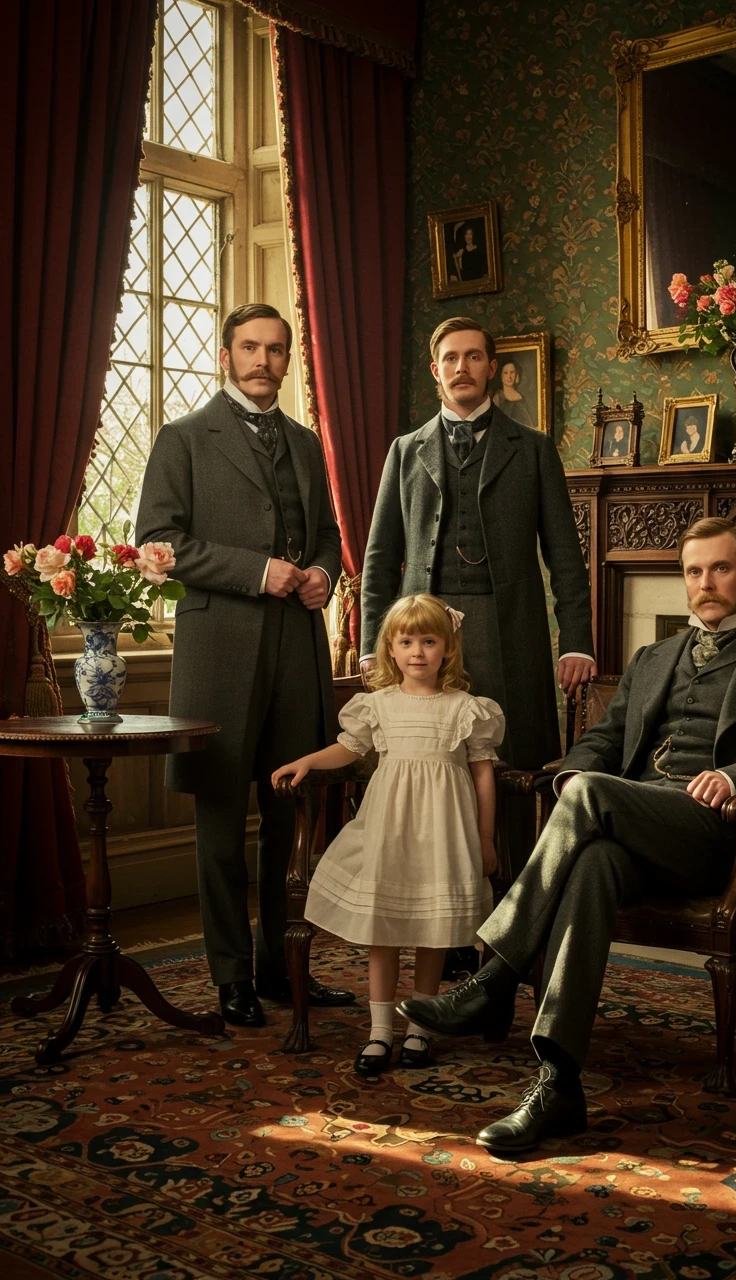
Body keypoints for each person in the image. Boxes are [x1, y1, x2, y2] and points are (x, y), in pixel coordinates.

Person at [399, 517, 736, 1153]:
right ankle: (559, 1084)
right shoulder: (654, 658)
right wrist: (573, 774)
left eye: (721, 569)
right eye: (694, 572)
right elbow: (603, 740)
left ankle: (496, 978)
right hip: (640, 827)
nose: (706, 583)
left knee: (593, 799)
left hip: (725, 841)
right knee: (590, 860)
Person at [136, 302, 354, 1028]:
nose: (265, 361)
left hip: (297, 647)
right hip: (218, 651)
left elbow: (324, 534)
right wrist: (256, 571)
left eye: (277, 350)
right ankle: (230, 976)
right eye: (251, 348)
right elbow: (158, 544)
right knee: (222, 822)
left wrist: (323, 572)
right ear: (227, 354)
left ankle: (279, 969)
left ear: (289, 361)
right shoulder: (184, 438)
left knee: (292, 814)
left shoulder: (303, 439)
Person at [272, 594, 504, 1074]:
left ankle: (420, 1026)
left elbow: (483, 774)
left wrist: (485, 839)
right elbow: (346, 748)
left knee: (432, 931)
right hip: (389, 830)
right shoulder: (377, 705)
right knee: (385, 930)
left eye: (428, 640)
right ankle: (379, 1032)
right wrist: (307, 762)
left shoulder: (466, 708)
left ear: (447, 648)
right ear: (391, 651)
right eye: (406, 641)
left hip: (444, 835)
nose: (417, 651)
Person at [361, 317, 595, 775]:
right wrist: (372, 642)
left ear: (491, 366)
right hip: (423, 630)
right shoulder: (405, 451)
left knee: (509, 760)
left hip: (508, 627)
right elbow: (380, 558)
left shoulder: (533, 449)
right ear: (436, 370)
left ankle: (508, 850)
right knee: (429, 764)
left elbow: (566, 557)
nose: (461, 367)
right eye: (451, 358)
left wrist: (577, 643)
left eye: (472, 357)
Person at [492, 359, 535, 428]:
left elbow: (528, 424)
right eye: (506, 373)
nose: (509, 377)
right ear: (501, 376)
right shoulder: (498, 398)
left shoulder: (521, 397)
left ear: (516, 375)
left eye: (512, 372)